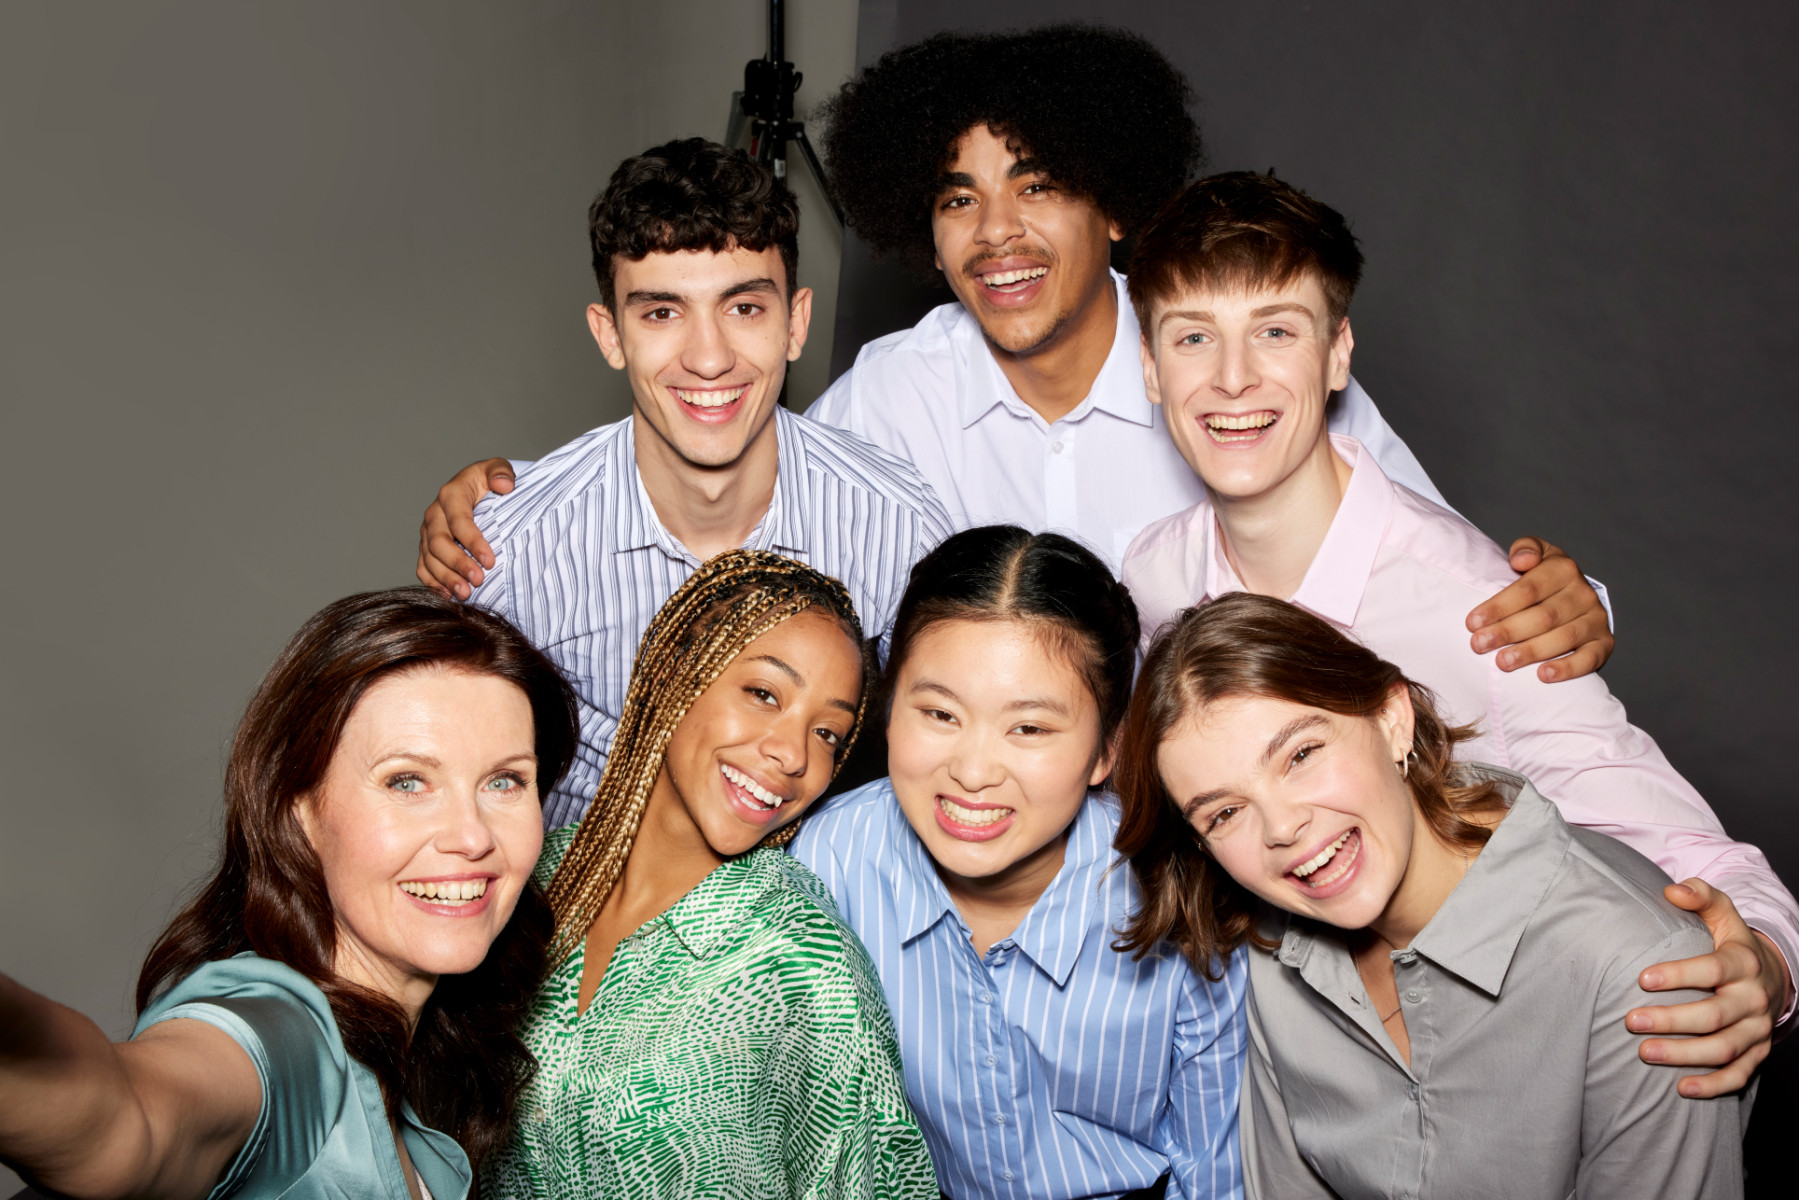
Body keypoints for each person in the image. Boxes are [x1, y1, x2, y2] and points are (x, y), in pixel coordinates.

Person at [416, 25, 1615, 688]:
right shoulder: (896, 390)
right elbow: (734, 459)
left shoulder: (1228, 373)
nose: (995, 234)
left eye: (1035, 186)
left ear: (1114, 208)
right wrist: (503, 497)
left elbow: (1430, 567)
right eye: (957, 199)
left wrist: (1565, 605)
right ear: (921, 232)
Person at [1115, 170, 1798, 1092]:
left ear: (1336, 354)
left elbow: (1699, 857)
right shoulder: (1150, 577)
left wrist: (1759, 963)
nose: (1232, 378)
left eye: (1275, 330)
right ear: (1153, 369)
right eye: (1194, 338)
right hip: (1265, 1065)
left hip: (1479, 1073)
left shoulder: (1475, 609)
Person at [1113, 593, 1743, 1199]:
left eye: (1301, 753)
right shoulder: (1271, 944)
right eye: (1224, 813)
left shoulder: (1634, 963)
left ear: (1391, 719)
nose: (1281, 829)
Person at [416, 138, 952, 828]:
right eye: (662, 313)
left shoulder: (897, 526)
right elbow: (448, 795)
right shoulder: (507, 551)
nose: (707, 358)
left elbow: (943, 747)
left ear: (796, 322)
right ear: (610, 335)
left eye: (744, 308)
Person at [0, 589, 580, 1199]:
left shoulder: (411, 1095)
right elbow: (128, 1122)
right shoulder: (282, 1038)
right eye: (408, 781)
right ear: (299, 810)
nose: (472, 835)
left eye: (505, 781)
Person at [792, 527, 1246, 1200]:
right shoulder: (831, 860)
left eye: (1028, 728)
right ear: (888, 711)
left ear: (1106, 750)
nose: (972, 772)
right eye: (940, 713)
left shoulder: (1175, 883)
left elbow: (1213, 1169)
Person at [482, 550, 936, 1200]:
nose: (792, 754)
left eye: (829, 734)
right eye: (762, 695)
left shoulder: (804, 962)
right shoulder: (526, 881)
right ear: (675, 672)